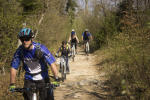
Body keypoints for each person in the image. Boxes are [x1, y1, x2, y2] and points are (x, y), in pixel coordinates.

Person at [9, 28, 59, 100]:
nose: (25, 41)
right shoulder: (20, 51)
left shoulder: (41, 48)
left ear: (32, 39)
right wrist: (12, 84)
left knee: (48, 97)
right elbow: (14, 67)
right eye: (22, 39)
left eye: (27, 39)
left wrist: (56, 78)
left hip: (43, 77)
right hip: (29, 79)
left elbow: (52, 63)